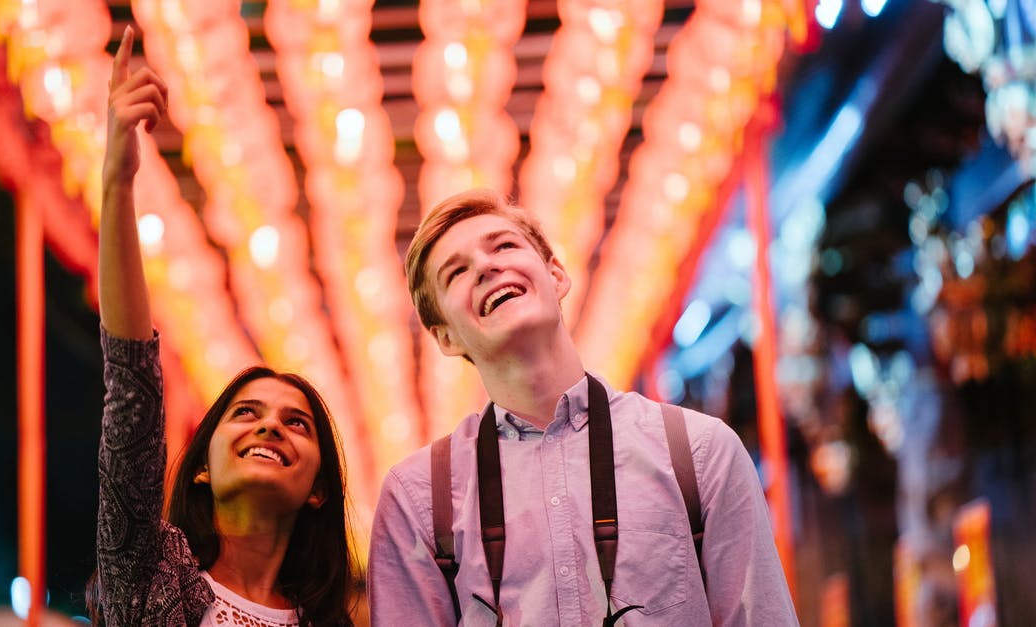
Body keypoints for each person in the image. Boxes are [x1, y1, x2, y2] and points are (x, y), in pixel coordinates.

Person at [367, 188, 798, 625]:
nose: (485, 266)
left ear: (556, 275)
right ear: (445, 337)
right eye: (456, 272)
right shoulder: (418, 498)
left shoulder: (700, 453)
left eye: (504, 245)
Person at [89, 26, 356, 626]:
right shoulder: (151, 575)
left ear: (318, 489)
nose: (270, 425)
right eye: (246, 412)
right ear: (204, 465)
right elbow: (131, 384)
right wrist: (117, 181)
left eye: (297, 423)